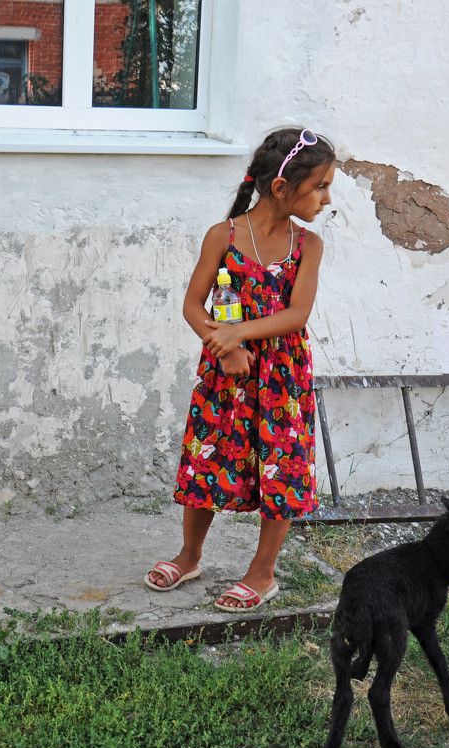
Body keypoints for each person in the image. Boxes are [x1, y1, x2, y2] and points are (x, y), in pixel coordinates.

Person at [145, 127, 336, 611]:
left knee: (281, 467)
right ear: (280, 187)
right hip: (225, 377)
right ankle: (190, 555)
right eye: (320, 186)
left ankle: (262, 571)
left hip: (281, 382)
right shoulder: (223, 236)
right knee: (209, 457)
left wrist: (238, 335)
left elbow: (296, 316)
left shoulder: (307, 246)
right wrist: (222, 345)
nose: (327, 199)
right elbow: (193, 304)